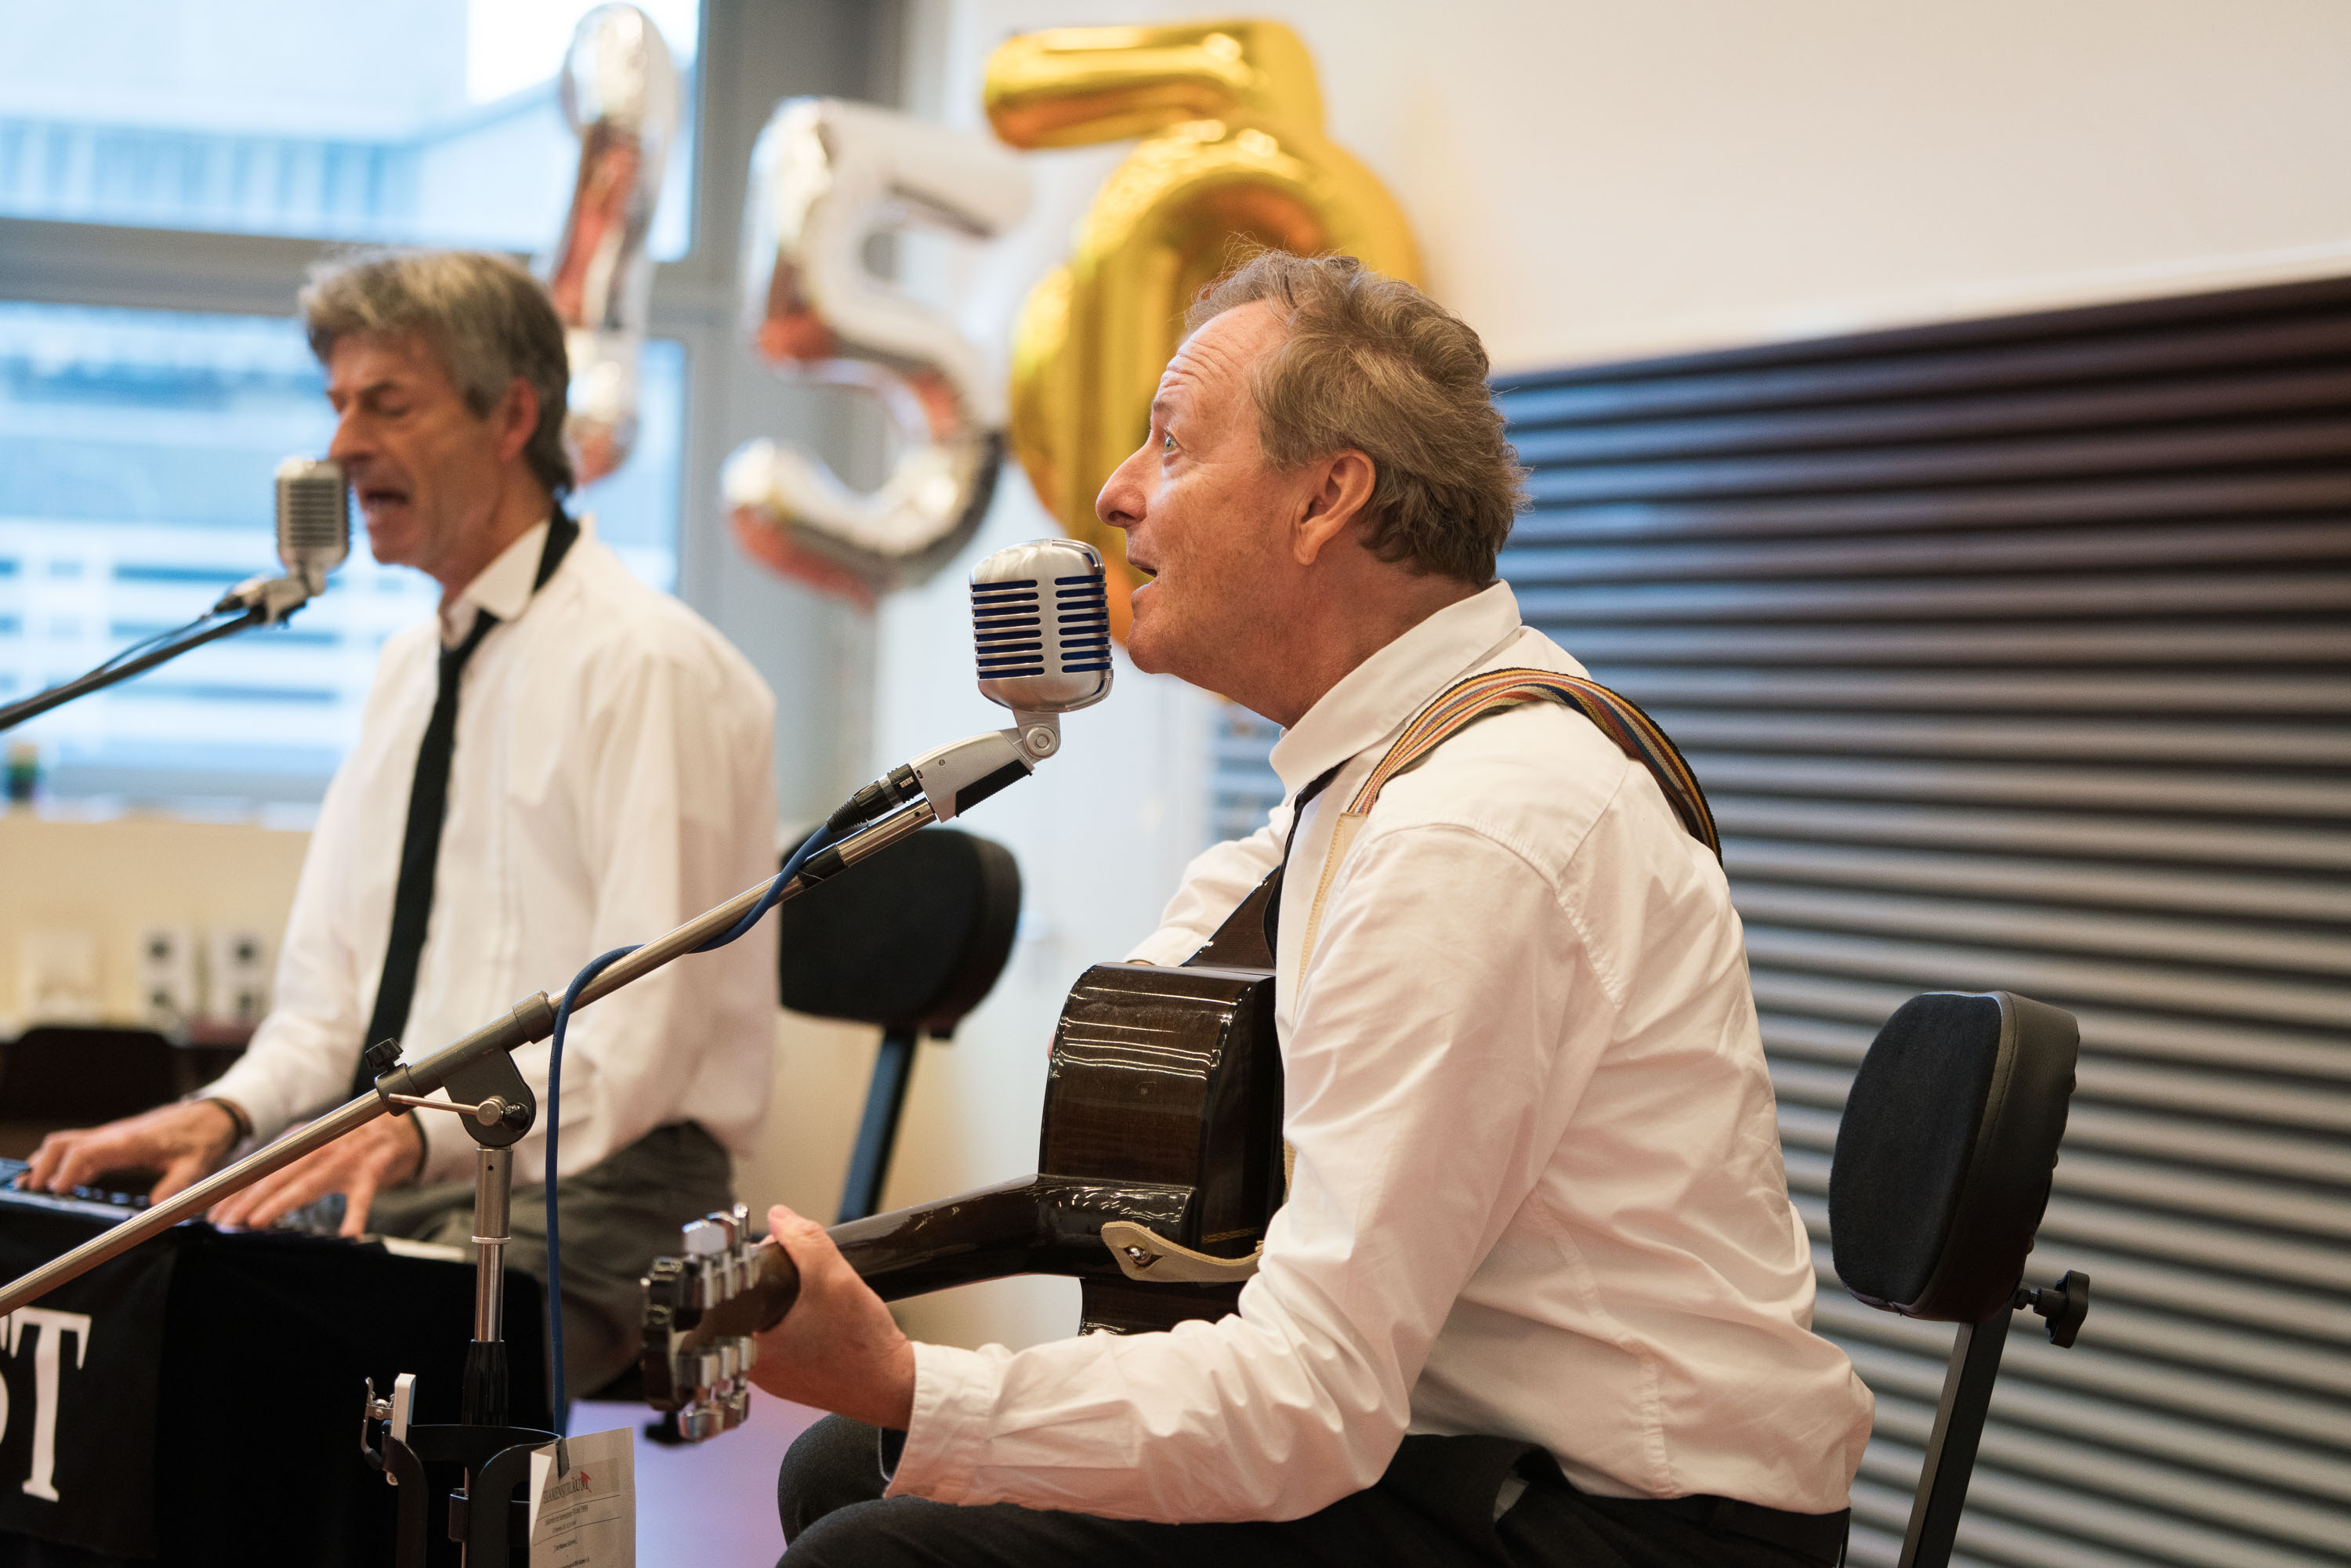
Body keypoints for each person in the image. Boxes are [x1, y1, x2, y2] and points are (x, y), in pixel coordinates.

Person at [743, 250, 1875, 1567]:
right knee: (849, 1466)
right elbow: (1163, 1054)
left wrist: (915, 1384)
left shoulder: (1475, 826)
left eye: (1172, 442)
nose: (1117, 492)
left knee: (872, 1550)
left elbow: (1309, 1402)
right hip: (1455, 1453)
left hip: (1630, 1525)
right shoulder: (1369, 773)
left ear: (1327, 497)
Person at [23, 250, 780, 1397]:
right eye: (336, 404)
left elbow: (634, 1042)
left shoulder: (653, 665)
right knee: (136, 1319)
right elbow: (326, 1007)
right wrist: (222, 1114)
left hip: (605, 1187)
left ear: (511, 413)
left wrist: (407, 1135)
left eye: (389, 402)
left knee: (301, 1373)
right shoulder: (402, 672)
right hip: (409, 1153)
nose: (340, 446)